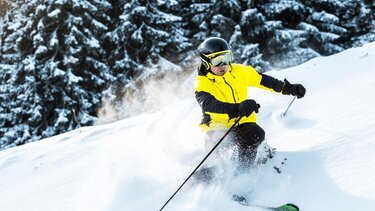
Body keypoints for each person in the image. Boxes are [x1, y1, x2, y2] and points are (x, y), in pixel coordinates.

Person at [195, 37, 306, 171]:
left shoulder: (239, 71)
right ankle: (210, 171)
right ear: (206, 62)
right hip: (217, 126)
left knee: (256, 134)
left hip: (241, 121)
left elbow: (263, 80)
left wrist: (289, 89)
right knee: (217, 148)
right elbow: (209, 104)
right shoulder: (203, 83)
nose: (223, 64)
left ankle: (242, 174)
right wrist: (238, 108)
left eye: (226, 57)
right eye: (217, 61)